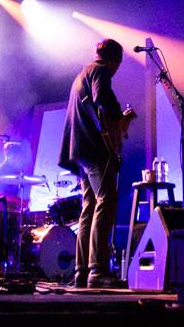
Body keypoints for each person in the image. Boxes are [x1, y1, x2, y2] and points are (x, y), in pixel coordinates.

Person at [57, 37, 134, 288]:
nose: (117, 69)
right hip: (93, 149)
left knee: (89, 206)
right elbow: (102, 98)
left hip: (79, 149)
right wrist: (119, 117)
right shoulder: (100, 71)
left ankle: (82, 271)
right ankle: (97, 270)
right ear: (115, 60)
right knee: (107, 201)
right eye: (118, 64)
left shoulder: (82, 74)